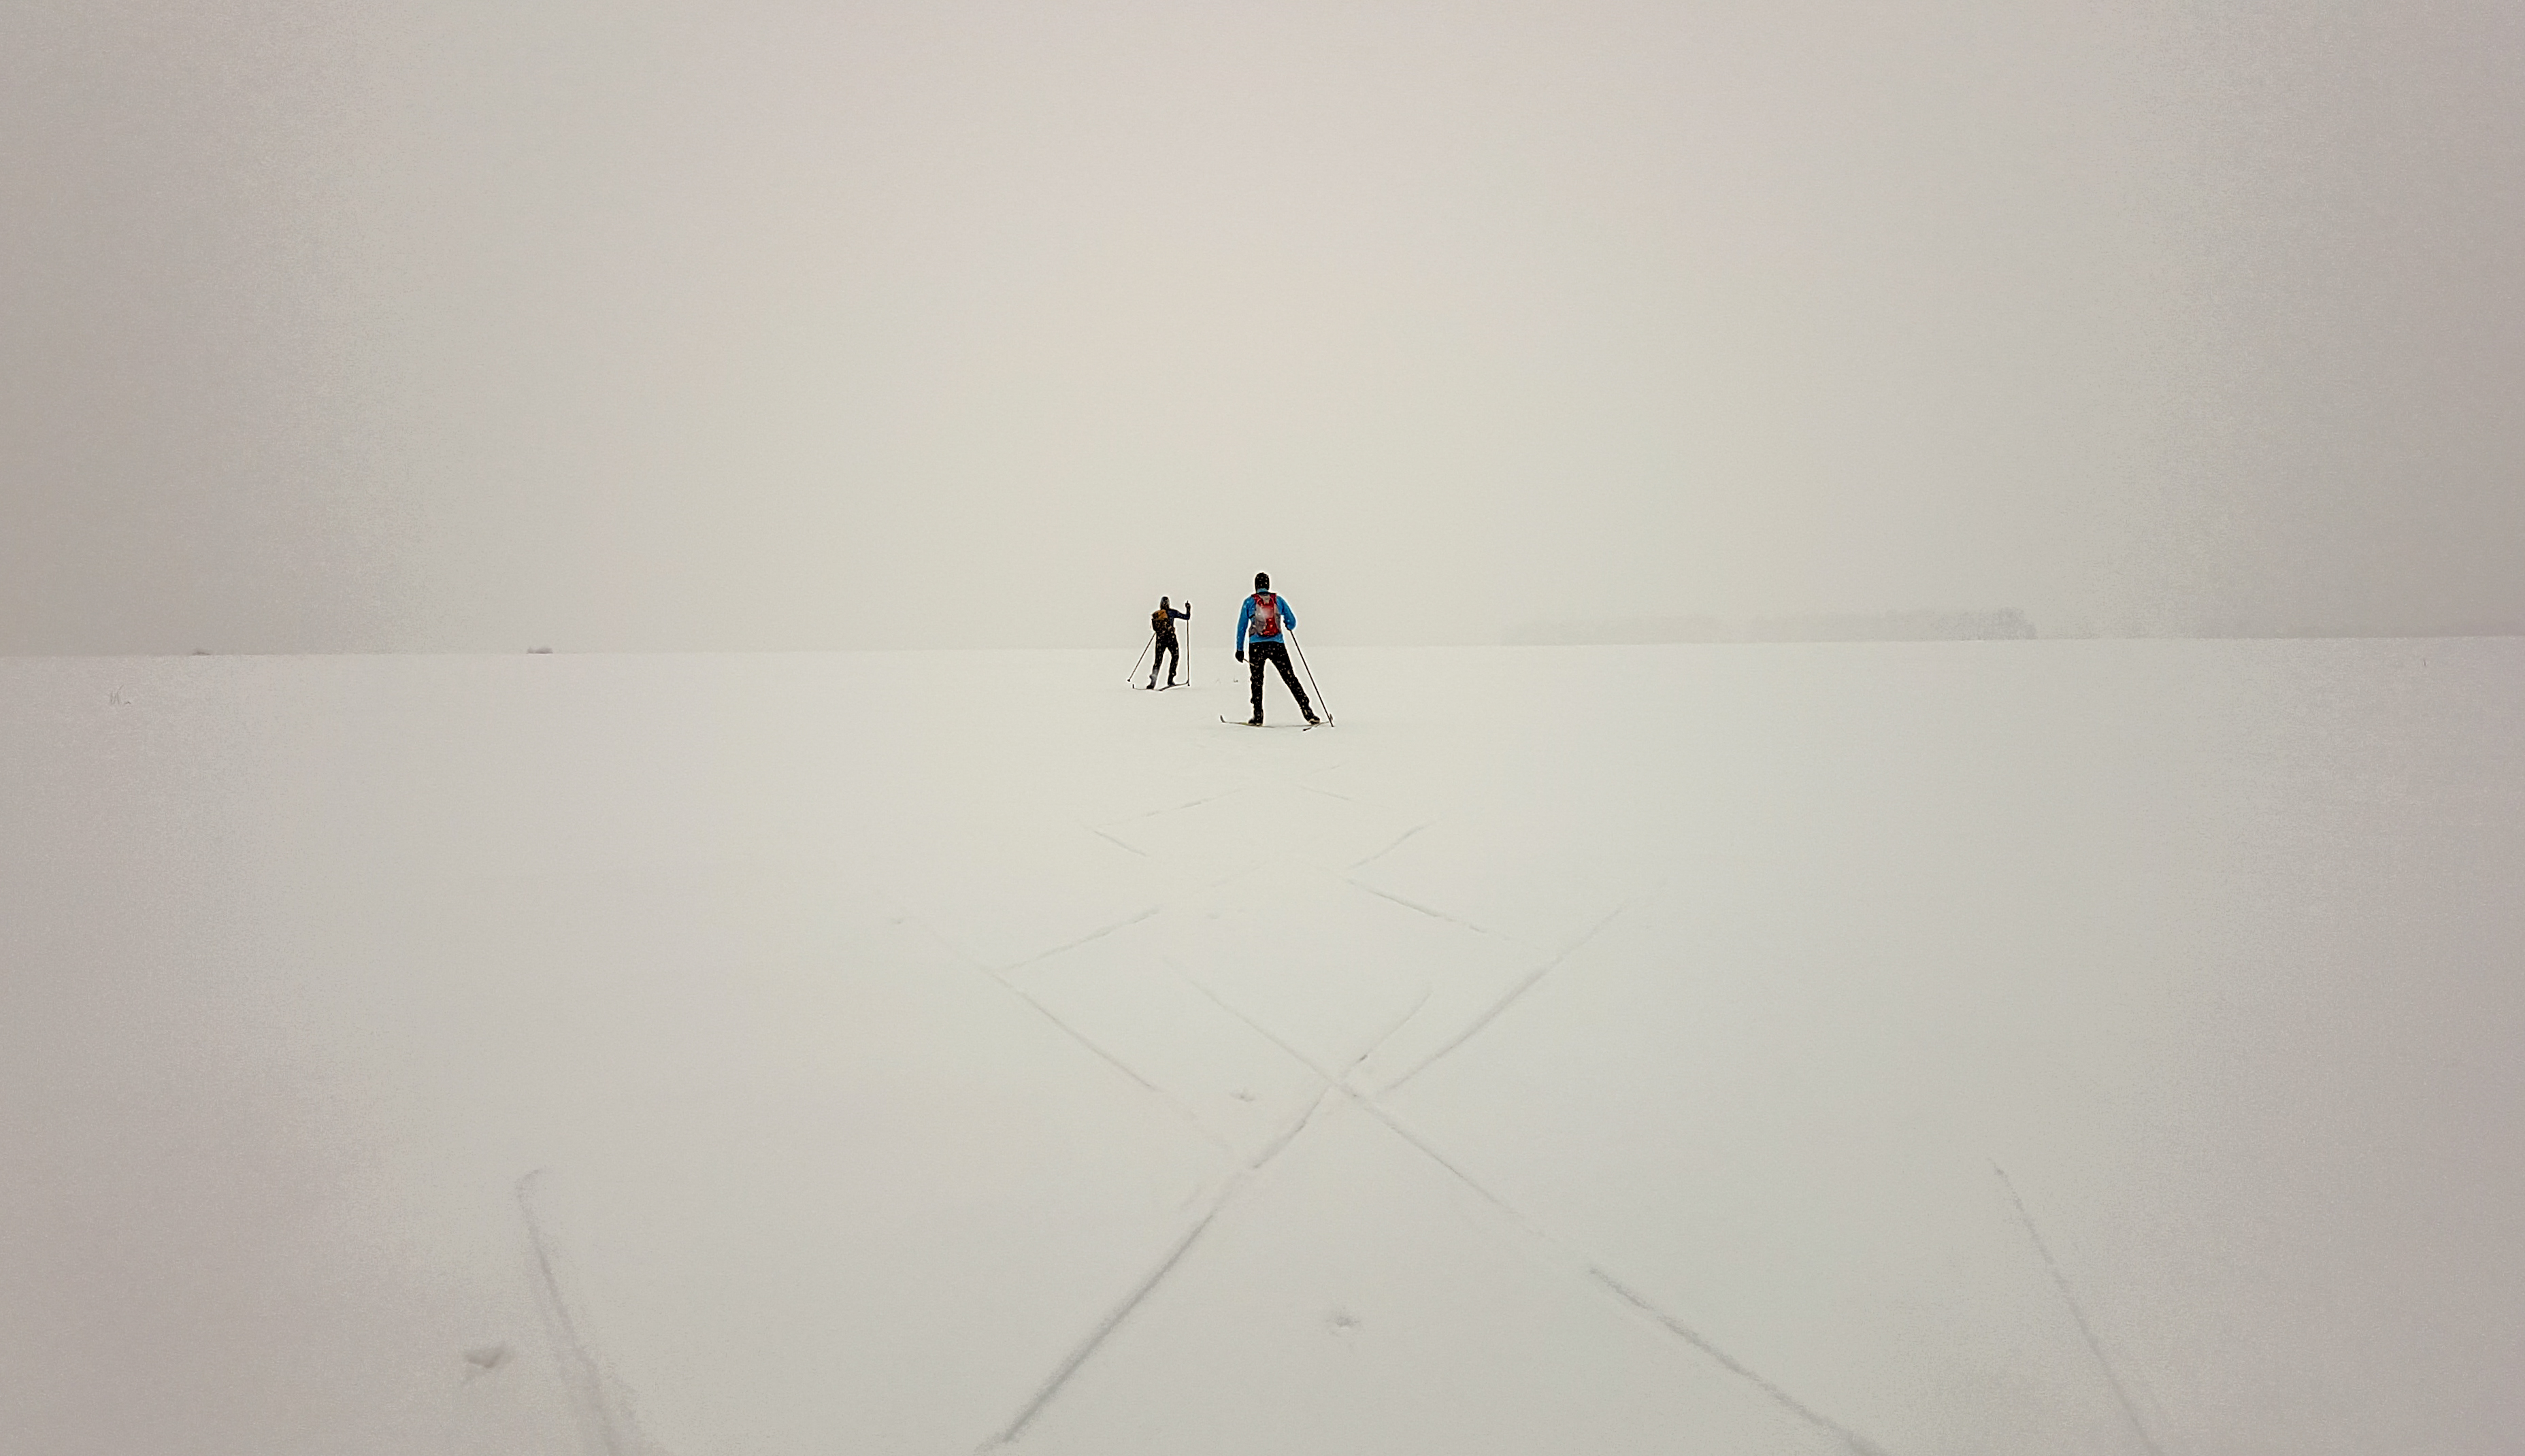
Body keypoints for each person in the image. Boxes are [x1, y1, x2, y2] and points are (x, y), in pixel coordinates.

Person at [1234, 572, 1317, 725]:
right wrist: (1287, 624)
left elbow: (1242, 627)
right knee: (1290, 678)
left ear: (1256, 585)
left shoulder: (1249, 602)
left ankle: (1258, 715)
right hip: (1277, 645)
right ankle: (1307, 710)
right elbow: (1292, 622)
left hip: (1256, 646)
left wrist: (1239, 649)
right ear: (1268, 585)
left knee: (1257, 680)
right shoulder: (1278, 600)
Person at [1148, 597, 1190, 688]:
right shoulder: (1172, 612)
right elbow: (1187, 617)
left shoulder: (1157, 614)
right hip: (1171, 638)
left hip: (1160, 639)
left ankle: (1153, 682)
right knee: (1175, 656)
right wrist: (1188, 609)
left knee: (1158, 660)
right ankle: (1171, 679)